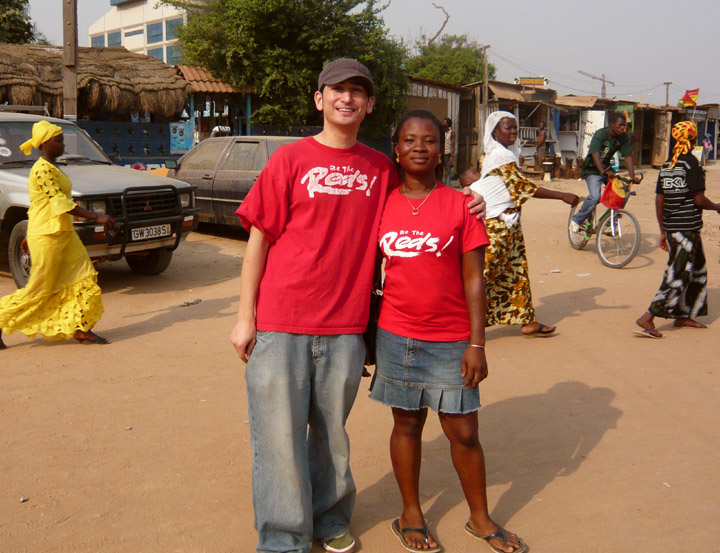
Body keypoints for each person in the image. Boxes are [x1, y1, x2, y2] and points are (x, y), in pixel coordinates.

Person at [229, 58, 487, 553]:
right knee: (278, 439)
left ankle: (328, 519)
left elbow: (424, 192)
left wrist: (469, 198)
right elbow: (259, 240)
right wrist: (246, 319)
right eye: (336, 89)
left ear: (368, 105)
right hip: (280, 322)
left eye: (356, 91)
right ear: (319, 99)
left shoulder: (379, 168)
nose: (346, 98)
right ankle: (284, 538)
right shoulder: (290, 161)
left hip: (345, 329)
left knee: (331, 438)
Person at [370, 109, 527, 553]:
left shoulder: (462, 205)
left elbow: (475, 278)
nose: (419, 147)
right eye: (409, 140)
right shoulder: (382, 205)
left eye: (429, 140)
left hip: (452, 338)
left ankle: (481, 518)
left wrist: (477, 343)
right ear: (395, 149)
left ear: (443, 150)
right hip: (396, 335)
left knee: (464, 433)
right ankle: (411, 514)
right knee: (407, 424)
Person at [0, 121, 115, 350]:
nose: (63, 145)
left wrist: (27, 236)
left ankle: (82, 328)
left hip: (63, 233)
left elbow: (37, 205)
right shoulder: (41, 170)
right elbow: (60, 203)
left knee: (85, 276)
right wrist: (96, 217)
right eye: (59, 140)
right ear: (44, 143)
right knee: (40, 289)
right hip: (48, 236)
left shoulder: (53, 167)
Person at [471, 111, 578, 337]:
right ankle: (459, 322)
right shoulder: (502, 156)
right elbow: (523, 188)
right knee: (485, 273)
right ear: (495, 132)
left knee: (516, 271)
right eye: (507, 128)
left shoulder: (491, 153)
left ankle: (527, 320)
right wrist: (562, 196)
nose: (512, 132)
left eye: (514, 128)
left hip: (507, 222)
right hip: (496, 225)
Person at [635, 121, 720, 338]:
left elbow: (659, 200)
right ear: (692, 141)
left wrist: (663, 231)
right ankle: (648, 316)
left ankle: (684, 314)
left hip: (674, 228)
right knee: (679, 273)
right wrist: (717, 207)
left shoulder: (667, 166)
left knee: (698, 270)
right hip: (687, 229)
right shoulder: (691, 164)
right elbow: (699, 199)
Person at [570, 112, 640, 232]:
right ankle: (576, 220)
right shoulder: (600, 134)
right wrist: (603, 171)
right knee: (595, 196)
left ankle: (609, 224)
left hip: (607, 169)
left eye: (624, 125)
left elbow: (628, 157)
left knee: (623, 193)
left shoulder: (622, 137)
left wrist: (632, 176)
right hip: (592, 169)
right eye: (620, 125)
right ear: (611, 124)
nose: (623, 128)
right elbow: (595, 154)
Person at [442, 117, 456, 187]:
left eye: (444, 122)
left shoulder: (451, 133)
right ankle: (440, 185)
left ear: (448, 124)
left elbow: (453, 145)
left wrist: (451, 157)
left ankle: (447, 186)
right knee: (440, 170)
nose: (443, 124)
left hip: (447, 154)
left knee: (448, 171)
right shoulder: (441, 132)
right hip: (441, 154)